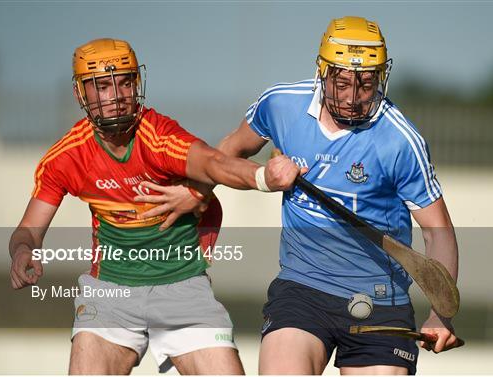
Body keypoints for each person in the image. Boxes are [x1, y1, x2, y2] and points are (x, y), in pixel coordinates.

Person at [138, 16, 461, 375]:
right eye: (342, 83)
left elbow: (438, 231)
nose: (353, 97)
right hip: (303, 289)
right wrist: (197, 191)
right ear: (322, 72)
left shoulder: (401, 140)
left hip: (381, 300)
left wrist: (441, 313)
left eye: (366, 84)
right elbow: (230, 149)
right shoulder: (281, 104)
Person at [8, 38, 301, 375]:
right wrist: (22, 251)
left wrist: (265, 176)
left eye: (125, 83)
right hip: (110, 294)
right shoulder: (66, 157)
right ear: (81, 95)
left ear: (137, 85)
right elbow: (28, 230)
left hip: (183, 289)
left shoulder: (157, 134)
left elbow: (214, 163)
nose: (116, 97)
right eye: (102, 86)